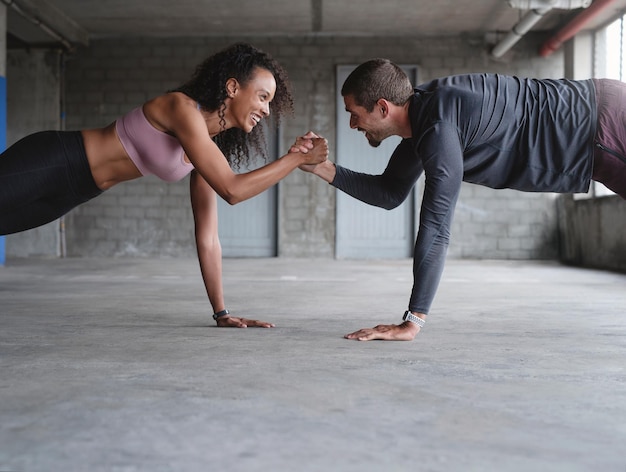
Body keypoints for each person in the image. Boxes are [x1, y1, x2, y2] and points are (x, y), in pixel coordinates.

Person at [0, 42, 328, 329]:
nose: (267, 110)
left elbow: (208, 236)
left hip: (75, 191)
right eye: (262, 97)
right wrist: (296, 159)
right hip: (55, 159)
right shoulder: (181, 108)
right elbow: (233, 190)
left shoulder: (207, 148)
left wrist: (221, 312)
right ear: (232, 87)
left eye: (270, 102)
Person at [295, 58, 626, 341]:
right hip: (598, 118)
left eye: (354, 114)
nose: (352, 123)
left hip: (601, 128)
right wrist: (322, 168)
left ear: (383, 107)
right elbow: (390, 192)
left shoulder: (438, 127)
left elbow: (437, 226)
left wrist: (413, 321)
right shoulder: (423, 117)